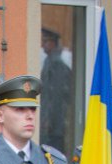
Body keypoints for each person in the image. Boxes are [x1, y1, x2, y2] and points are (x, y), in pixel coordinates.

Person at [39, 28, 73, 156]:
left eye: (45, 42)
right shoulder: (49, 62)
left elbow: (55, 97)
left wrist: (48, 119)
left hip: (54, 125)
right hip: (50, 124)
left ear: (53, 43)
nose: (42, 45)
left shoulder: (57, 66)